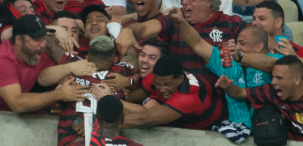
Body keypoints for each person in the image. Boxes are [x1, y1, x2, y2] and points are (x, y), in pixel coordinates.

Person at [168, 7, 278, 143]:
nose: (237, 47)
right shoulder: (228, 61)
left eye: (242, 44)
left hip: (270, 133)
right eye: (237, 43)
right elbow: (197, 44)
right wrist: (181, 21)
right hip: (236, 136)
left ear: (259, 47)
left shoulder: (277, 60)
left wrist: (241, 57)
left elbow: (274, 65)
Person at [0, 15, 93, 112]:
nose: (42, 44)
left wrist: (66, 75)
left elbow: (43, 77)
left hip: (1, 118)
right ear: (18, 40)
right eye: (36, 39)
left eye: (43, 38)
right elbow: (18, 104)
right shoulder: (1, 59)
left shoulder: (36, 52)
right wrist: (59, 94)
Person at [218, 55, 303, 140]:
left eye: (279, 78)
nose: (273, 82)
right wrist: (228, 87)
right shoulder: (272, 92)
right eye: (273, 77)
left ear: (296, 79)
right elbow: (239, 93)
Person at [95, 54, 227, 130]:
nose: (162, 88)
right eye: (158, 84)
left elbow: (144, 119)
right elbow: (132, 97)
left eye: (167, 84)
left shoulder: (188, 97)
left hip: (210, 124)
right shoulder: (154, 78)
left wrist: (101, 121)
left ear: (180, 79)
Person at [128, 0, 246, 84]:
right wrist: (128, 30)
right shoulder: (173, 17)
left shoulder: (232, 24)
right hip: (180, 92)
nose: (184, 2)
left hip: (220, 96)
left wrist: (239, 55)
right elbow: (144, 29)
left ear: (208, 2)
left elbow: (257, 47)